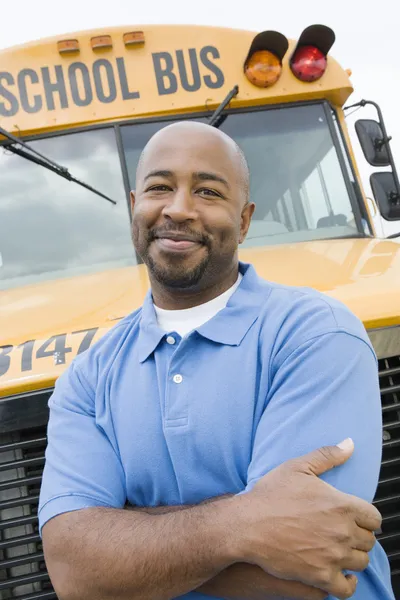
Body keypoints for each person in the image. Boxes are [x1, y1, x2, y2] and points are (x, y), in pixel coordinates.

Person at [39, 121, 394, 600]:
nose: (179, 209)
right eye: (159, 187)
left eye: (208, 191)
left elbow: (309, 566)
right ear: (133, 208)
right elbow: (74, 572)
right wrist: (244, 523)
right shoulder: (86, 377)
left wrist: (122, 533)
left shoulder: (316, 332)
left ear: (244, 220)